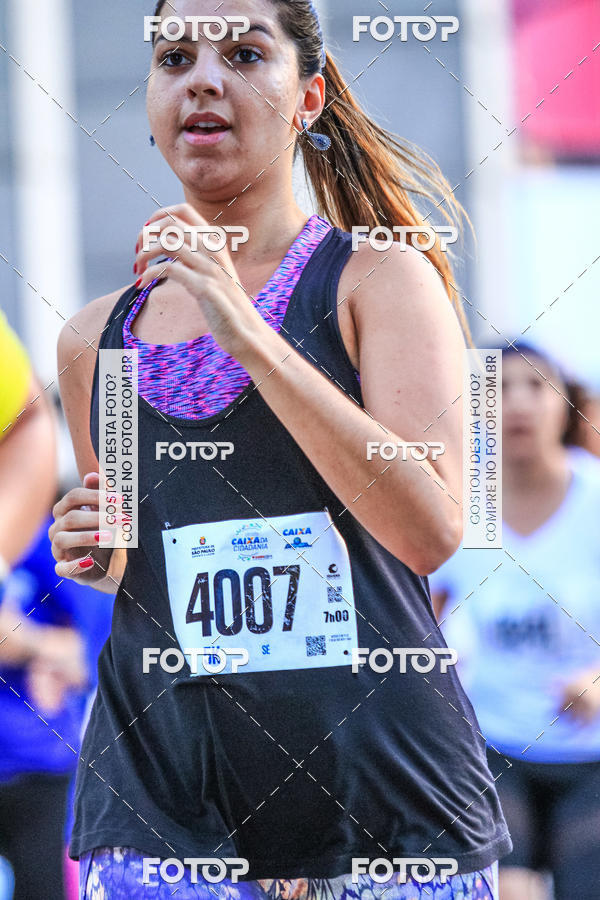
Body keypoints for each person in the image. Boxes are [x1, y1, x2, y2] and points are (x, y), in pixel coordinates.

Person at [50, 1, 511, 897]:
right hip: (163, 809)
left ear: (308, 97)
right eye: (174, 58)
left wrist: (249, 334)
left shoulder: (380, 278)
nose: (203, 80)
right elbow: (131, 564)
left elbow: (431, 531)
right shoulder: (91, 340)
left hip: (383, 808)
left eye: (244, 54)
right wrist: (94, 549)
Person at [430, 342, 600, 900]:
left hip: (591, 753)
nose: (518, 403)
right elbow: (418, 619)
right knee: (508, 888)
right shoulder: (458, 508)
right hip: (496, 745)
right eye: (497, 390)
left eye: (536, 386)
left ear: (566, 403)